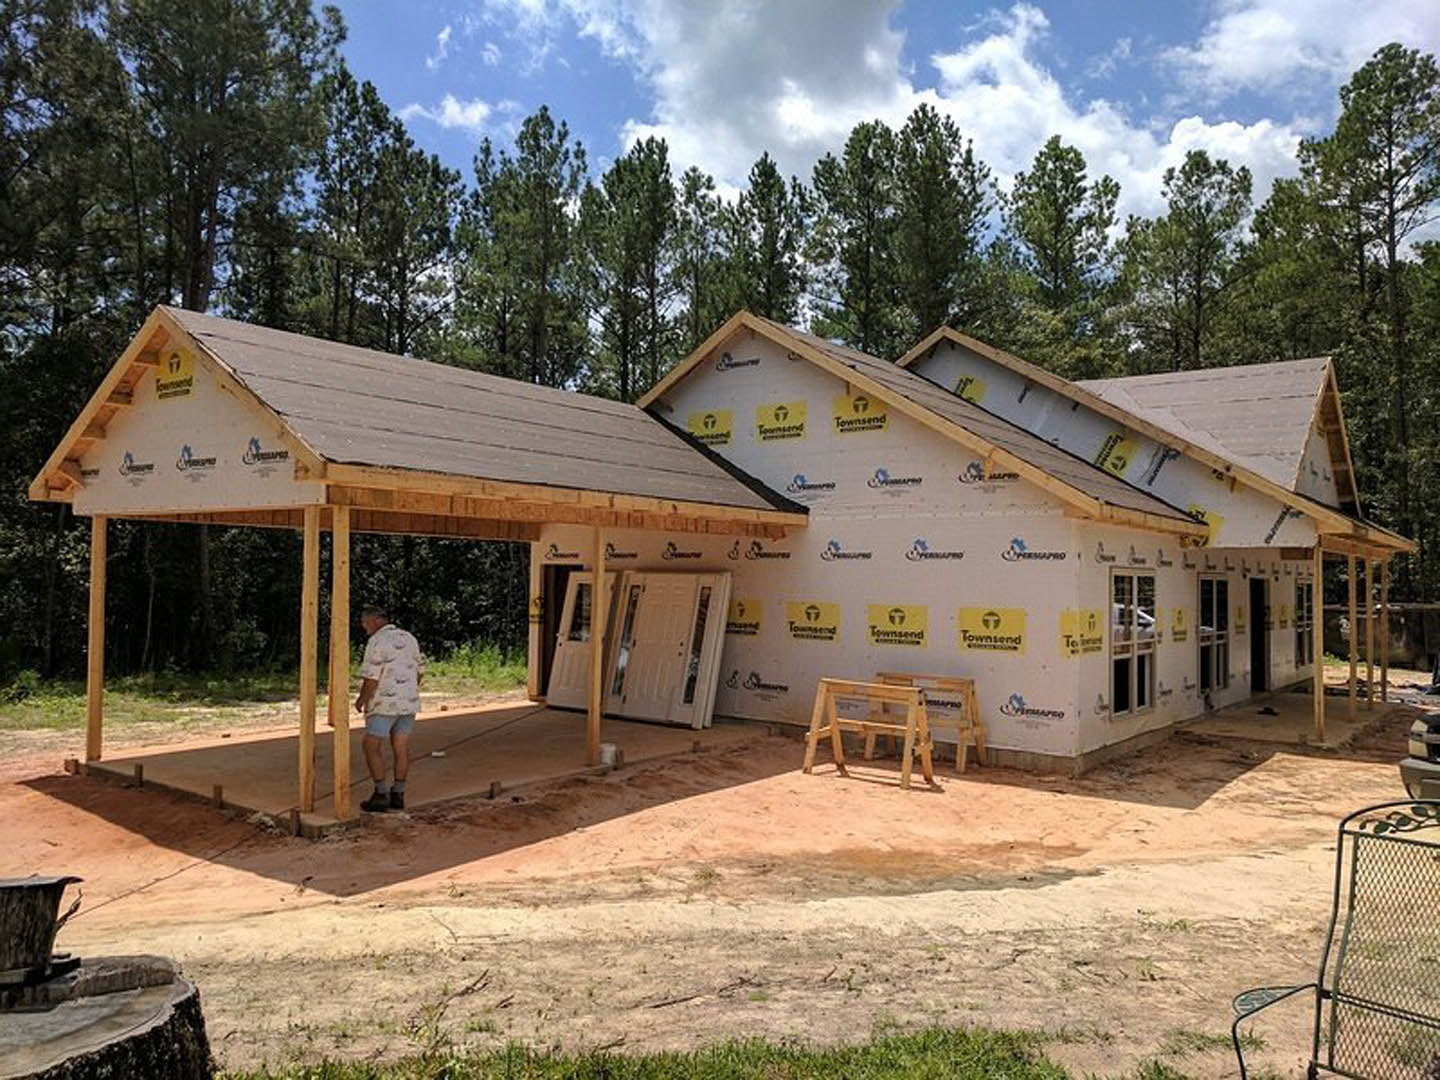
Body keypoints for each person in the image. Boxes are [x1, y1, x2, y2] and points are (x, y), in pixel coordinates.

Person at [353, 604, 424, 812]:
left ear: (375, 620)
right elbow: (420, 671)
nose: (364, 627)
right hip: (408, 702)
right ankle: (399, 793)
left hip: (384, 703)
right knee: (401, 746)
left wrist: (362, 699)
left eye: (365, 623)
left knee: (371, 744)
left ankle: (380, 792)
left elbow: (371, 678)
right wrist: (408, 690)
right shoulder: (409, 638)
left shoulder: (376, 641)